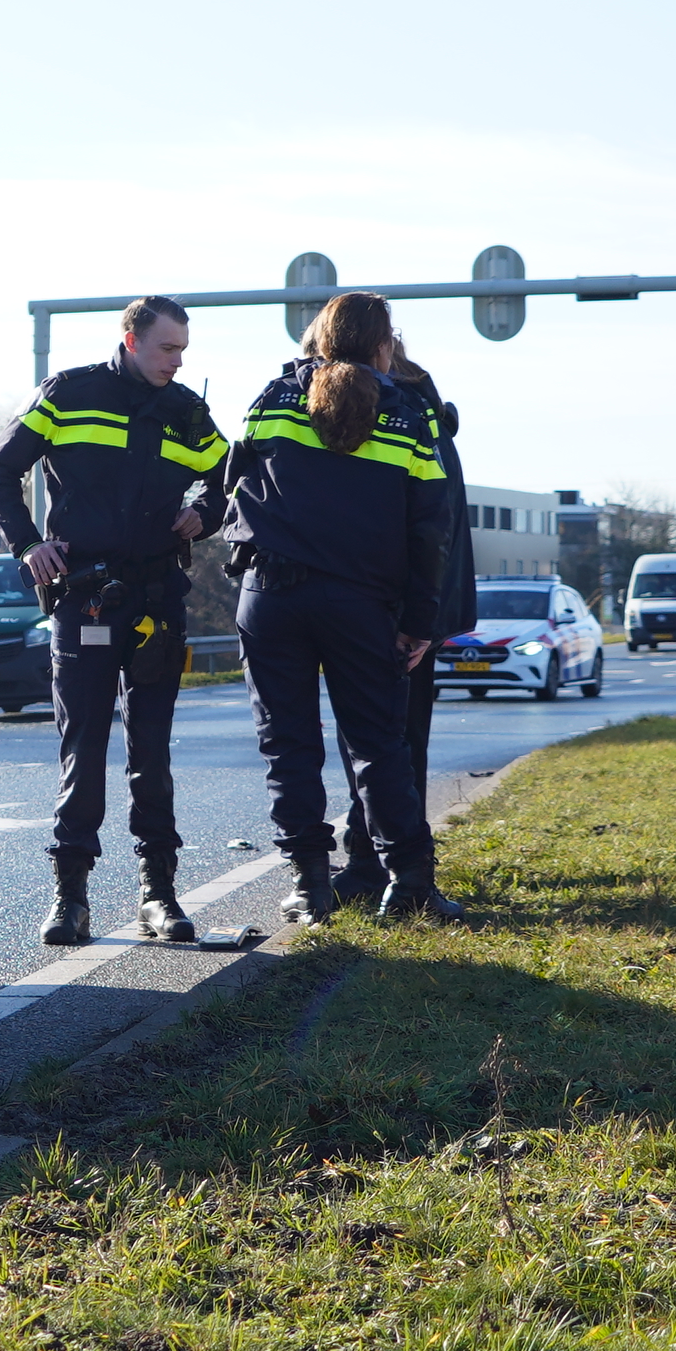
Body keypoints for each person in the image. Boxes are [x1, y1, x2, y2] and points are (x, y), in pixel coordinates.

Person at [0, 294, 228, 946]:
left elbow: (228, 478)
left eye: (182, 351)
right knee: (84, 748)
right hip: (85, 598)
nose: (176, 362)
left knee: (151, 750)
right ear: (131, 340)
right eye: (167, 348)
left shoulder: (185, 410)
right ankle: (71, 899)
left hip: (157, 604)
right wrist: (27, 544)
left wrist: (206, 512)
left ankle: (159, 895)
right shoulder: (70, 392)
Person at [225, 291, 463, 924]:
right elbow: (430, 530)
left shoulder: (274, 399)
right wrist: (419, 623)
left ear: (319, 341)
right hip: (359, 603)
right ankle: (409, 884)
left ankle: (310, 887)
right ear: (384, 346)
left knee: (288, 746)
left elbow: (234, 484)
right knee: (379, 746)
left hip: (270, 597)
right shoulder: (410, 415)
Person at [336, 333, 472, 910]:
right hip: (411, 603)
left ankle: (383, 865)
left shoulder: (396, 415)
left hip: (391, 605)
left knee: (381, 741)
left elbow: (413, 527)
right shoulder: (428, 417)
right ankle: (392, 863)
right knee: (393, 737)